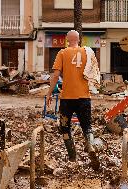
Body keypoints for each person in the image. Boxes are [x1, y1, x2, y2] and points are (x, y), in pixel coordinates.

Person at [46, 30, 100, 169]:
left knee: (64, 128)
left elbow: (55, 75)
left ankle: (72, 157)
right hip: (84, 98)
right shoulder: (87, 53)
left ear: (67, 39)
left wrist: (49, 92)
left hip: (67, 99)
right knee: (87, 127)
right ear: (79, 39)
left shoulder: (62, 53)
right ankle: (91, 146)